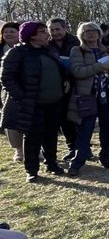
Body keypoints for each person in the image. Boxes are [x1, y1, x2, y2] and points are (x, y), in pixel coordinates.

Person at [1, 22, 70, 182]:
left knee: (51, 135)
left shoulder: (50, 51)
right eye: (43, 32)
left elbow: (60, 69)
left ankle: (52, 164)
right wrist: (22, 97)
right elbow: (7, 78)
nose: (47, 34)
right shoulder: (18, 52)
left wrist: (65, 79)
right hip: (33, 104)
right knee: (32, 136)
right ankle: (31, 170)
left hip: (54, 102)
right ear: (31, 36)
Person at [67, 22, 109, 176]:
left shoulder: (107, 49)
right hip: (88, 97)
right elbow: (77, 71)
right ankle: (77, 162)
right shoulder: (77, 50)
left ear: (99, 33)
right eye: (87, 31)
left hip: (108, 96)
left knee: (108, 129)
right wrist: (98, 67)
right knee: (85, 131)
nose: (91, 33)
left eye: (94, 31)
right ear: (81, 34)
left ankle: (105, 158)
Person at [47, 18, 81, 161]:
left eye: (57, 29)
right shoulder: (47, 45)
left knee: (79, 117)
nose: (55, 33)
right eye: (52, 30)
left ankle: (83, 146)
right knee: (64, 118)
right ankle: (72, 147)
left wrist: (70, 78)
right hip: (57, 86)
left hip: (78, 84)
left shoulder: (77, 42)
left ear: (65, 28)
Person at [0, 22, 23, 162]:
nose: (8, 34)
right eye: (5, 32)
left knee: (30, 118)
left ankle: (32, 148)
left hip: (27, 88)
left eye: (12, 31)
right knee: (10, 118)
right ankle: (18, 149)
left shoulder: (29, 48)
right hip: (4, 90)